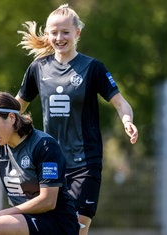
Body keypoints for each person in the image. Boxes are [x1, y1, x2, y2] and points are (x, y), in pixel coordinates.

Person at [15, 4, 139, 235]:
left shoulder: (93, 68)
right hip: (50, 162)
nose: (59, 38)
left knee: (76, 229)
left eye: (65, 32)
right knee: (50, 227)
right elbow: (16, 108)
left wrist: (127, 122)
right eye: (54, 32)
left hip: (84, 163)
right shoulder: (38, 69)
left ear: (77, 33)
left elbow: (121, 103)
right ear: (48, 34)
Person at [0, 92, 80, 235]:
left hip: (57, 222)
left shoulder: (44, 145)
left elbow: (48, 201)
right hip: (26, 220)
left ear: (11, 118)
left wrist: (1, 214)